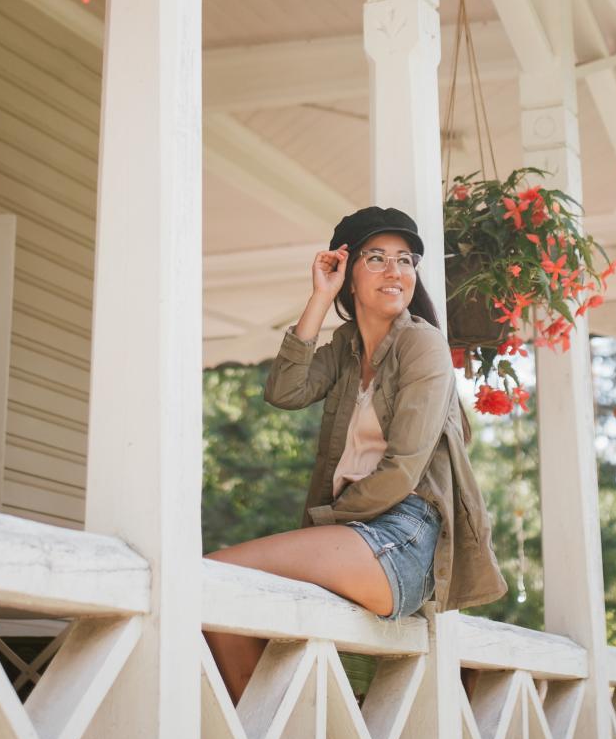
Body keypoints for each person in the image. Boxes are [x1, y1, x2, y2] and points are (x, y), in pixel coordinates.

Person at [204, 206, 506, 702]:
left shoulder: (423, 346)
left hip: (404, 535)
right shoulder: (345, 350)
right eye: (378, 258)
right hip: (356, 533)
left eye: (406, 261)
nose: (396, 272)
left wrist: (326, 523)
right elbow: (285, 390)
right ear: (347, 275)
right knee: (221, 601)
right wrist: (320, 298)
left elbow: (403, 470)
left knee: (217, 577)